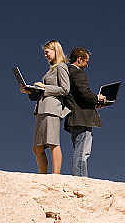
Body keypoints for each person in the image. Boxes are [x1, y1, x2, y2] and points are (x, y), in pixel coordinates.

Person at [22, 40, 71, 174]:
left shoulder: (61, 67)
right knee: (37, 147)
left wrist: (45, 87)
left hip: (52, 108)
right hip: (41, 109)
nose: (45, 55)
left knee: (52, 142)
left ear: (55, 51)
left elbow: (65, 89)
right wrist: (30, 91)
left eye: (47, 52)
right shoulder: (51, 70)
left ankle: (56, 175)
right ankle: (42, 176)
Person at [64, 47, 106, 177]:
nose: (87, 65)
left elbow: (75, 97)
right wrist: (97, 98)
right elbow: (84, 93)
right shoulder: (78, 73)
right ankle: (80, 179)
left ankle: (78, 176)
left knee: (78, 148)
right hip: (82, 117)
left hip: (73, 117)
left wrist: (93, 105)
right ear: (79, 59)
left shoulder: (66, 72)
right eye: (86, 61)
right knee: (82, 151)